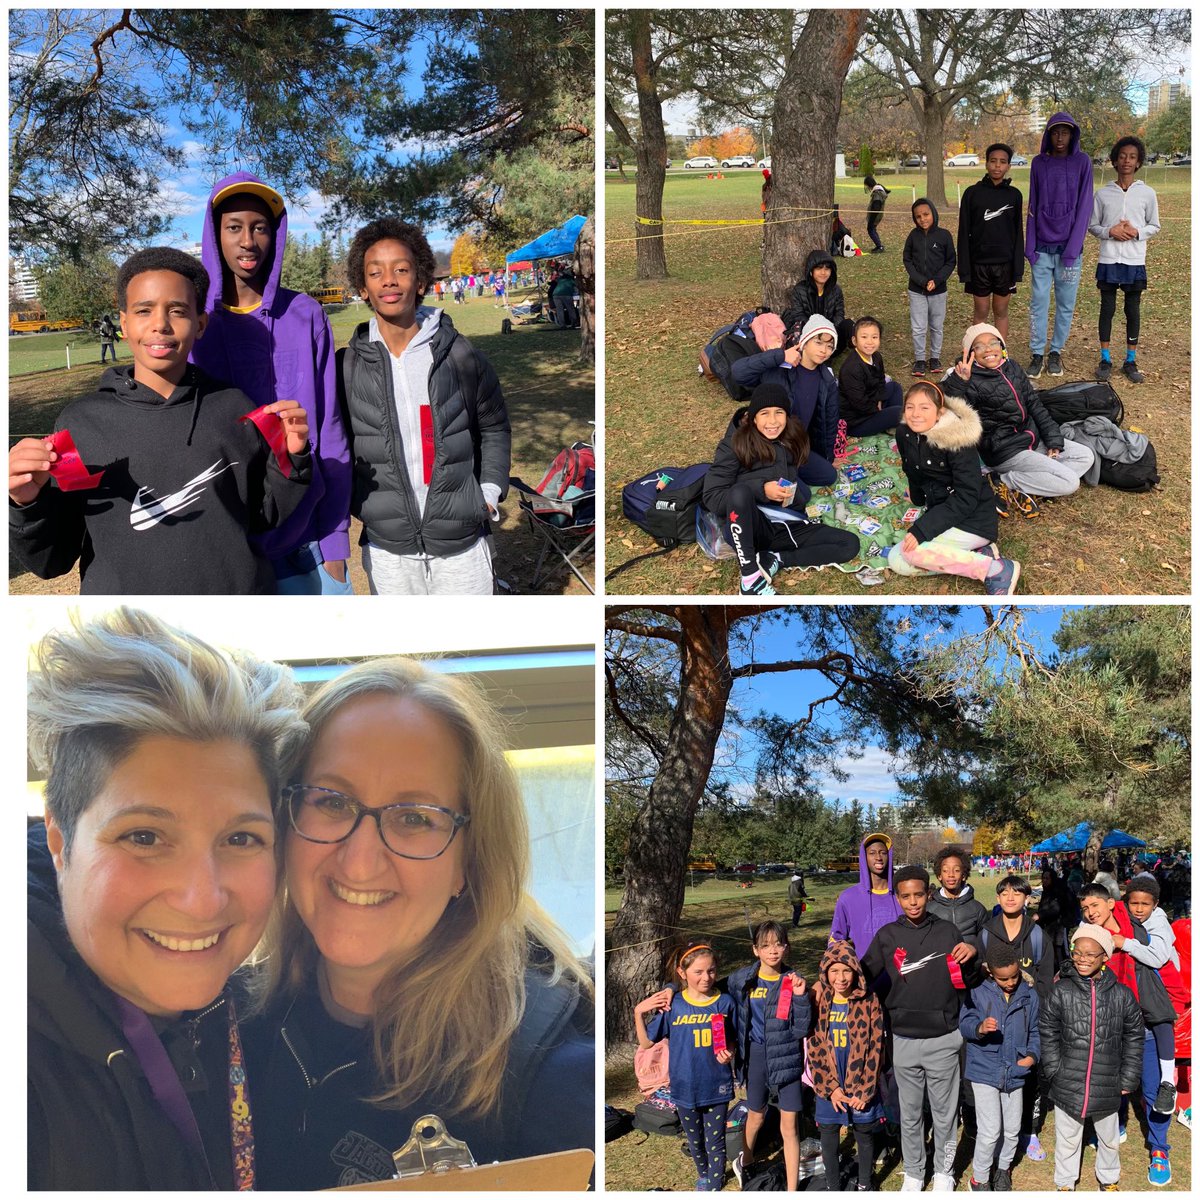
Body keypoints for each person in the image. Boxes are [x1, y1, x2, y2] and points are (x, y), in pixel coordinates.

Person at [242, 656, 595, 1189]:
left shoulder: (552, 1079)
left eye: (414, 818)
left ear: (467, 863)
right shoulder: (220, 1021)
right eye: (332, 802)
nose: (359, 861)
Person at [28, 607, 306, 1189]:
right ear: (60, 838)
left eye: (240, 838)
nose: (201, 899)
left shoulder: (263, 1018)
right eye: (144, 837)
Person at [9, 247, 312, 594]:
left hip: (229, 620)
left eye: (178, 311)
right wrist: (25, 503)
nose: (160, 324)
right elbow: (52, 560)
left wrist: (293, 459)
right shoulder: (80, 423)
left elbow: (264, 517)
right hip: (126, 630)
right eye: (143, 310)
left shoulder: (234, 408)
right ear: (123, 324)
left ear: (200, 324)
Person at [191, 172, 352, 595]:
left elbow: (330, 429)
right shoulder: (196, 326)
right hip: (229, 546)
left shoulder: (306, 314)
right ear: (214, 233)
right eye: (234, 227)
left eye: (260, 227)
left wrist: (335, 539)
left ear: (276, 234)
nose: (248, 241)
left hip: (308, 541)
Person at [337, 217, 511, 595]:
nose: (389, 280)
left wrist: (488, 494)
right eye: (375, 272)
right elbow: (338, 444)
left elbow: (495, 427)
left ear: (420, 280)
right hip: (388, 548)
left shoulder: (460, 355)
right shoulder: (346, 366)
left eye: (401, 269)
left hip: (461, 544)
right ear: (363, 287)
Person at [860, 865, 981, 1191]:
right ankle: (914, 1171)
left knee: (944, 1113)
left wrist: (973, 953)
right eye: (906, 896)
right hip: (903, 1039)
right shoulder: (887, 936)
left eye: (918, 895)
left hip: (944, 1037)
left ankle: (943, 1172)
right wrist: (828, 978)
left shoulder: (946, 932)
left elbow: (968, 982)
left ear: (928, 894)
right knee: (910, 1113)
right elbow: (861, 976)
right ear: (897, 898)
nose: (913, 902)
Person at [702, 382, 860, 596]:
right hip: (751, 528)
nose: (773, 421)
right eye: (765, 413)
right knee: (740, 493)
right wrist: (762, 490)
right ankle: (749, 579)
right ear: (753, 417)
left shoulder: (790, 438)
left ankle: (775, 559)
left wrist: (792, 497)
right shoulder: (733, 444)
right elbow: (712, 496)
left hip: (787, 524)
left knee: (849, 544)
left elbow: (794, 483)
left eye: (779, 412)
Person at [1079, 880, 1178, 1185]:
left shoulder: (1140, 921)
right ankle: (1117, 1125)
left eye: (1095, 905)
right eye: (1085, 908)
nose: (1090, 912)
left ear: (1111, 903)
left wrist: (1125, 941)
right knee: (1112, 1084)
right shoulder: (1087, 930)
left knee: (1151, 1092)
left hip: (1145, 1023)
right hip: (1112, 1024)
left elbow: (1160, 955)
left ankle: (1160, 1150)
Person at [941, 324, 1094, 508]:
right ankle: (1000, 481)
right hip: (1005, 450)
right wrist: (960, 382)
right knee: (1070, 482)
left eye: (993, 343)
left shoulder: (1011, 366)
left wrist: (1053, 439)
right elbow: (951, 411)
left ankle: (1035, 485)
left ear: (1002, 346)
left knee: (1085, 456)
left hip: (1031, 437)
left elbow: (1034, 404)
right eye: (979, 346)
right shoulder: (966, 378)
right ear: (970, 353)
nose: (988, 349)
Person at [1040, 924, 1143, 1191]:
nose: (1082, 959)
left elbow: (1134, 1037)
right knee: (1068, 1137)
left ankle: (1108, 1179)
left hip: (1108, 1081)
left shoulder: (1122, 995)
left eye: (1091, 954)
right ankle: (1065, 1182)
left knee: (1109, 1137)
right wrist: (1053, 1067)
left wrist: (1129, 1076)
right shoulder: (1061, 990)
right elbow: (1048, 1029)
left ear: (1105, 957)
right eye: (1078, 952)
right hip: (1068, 1081)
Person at [890, 381, 1019, 595]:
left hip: (973, 520)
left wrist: (923, 529)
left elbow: (967, 497)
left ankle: (995, 570)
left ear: (940, 413)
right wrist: (917, 498)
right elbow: (911, 468)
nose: (915, 414)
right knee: (903, 554)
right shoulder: (904, 432)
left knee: (902, 558)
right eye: (910, 407)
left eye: (924, 407)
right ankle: (979, 554)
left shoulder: (958, 441)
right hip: (942, 511)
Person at [636, 942, 737, 1191]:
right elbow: (647, 1042)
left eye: (711, 971)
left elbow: (732, 1040)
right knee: (695, 1139)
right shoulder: (674, 1005)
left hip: (716, 1085)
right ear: (683, 973)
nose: (706, 977)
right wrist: (638, 1012)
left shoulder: (725, 1002)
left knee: (715, 1139)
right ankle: (703, 1174)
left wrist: (729, 1054)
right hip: (683, 1087)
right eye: (699, 972)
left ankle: (714, 1181)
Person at [728, 922, 812, 1192]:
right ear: (755, 950)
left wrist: (800, 998)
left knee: (790, 1128)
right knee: (756, 1117)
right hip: (755, 1057)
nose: (772, 951)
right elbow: (706, 986)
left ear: (786, 947)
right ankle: (747, 1163)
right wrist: (671, 987)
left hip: (787, 1058)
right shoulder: (741, 979)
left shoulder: (794, 980)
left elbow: (801, 1029)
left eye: (778, 944)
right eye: (765, 945)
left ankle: (791, 1188)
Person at [981, 875, 1056, 1163]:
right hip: (996, 1021)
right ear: (998, 898)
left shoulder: (1037, 935)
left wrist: (1034, 1004)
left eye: (1017, 893)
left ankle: (1030, 1131)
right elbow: (978, 975)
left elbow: (1047, 981)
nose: (1010, 897)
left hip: (1027, 1019)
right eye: (1005, 893)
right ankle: (997, 1130)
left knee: (1030, 1079)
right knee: (998, 1075)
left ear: (1027, 898)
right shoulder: (987, 933)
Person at [960, 940, 1041, 1192]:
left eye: (1014, 976)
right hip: (984, 1070)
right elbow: (965, 1023)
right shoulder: (977, 991)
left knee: (1013, 1128)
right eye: (1004, 979)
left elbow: (1035, 1031)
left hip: (1015, 1070)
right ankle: (980, 1178)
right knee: (990, 1130)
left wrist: (1032, 1056)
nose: (1010, 982)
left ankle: (1003, 1168)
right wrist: (979, 1028)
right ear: (991, 973)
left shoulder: (1029, 995)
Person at [807, 939, 886, 1192]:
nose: (840, 977)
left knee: (863, 1134)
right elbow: (815, 1047)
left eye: (846, 970)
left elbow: (876, 1048)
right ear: (825, 972)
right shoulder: (821, 1000)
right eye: (834, 971)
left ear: (855, 971)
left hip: (861, 1080)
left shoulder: (869, 1000)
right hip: (831, 1081)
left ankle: (864, 1183)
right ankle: (833, 1185)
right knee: (829, 1135)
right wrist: (830, 1088)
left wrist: (865, 1089)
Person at [731, 315, 843, 485]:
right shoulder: (779, 368)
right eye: (818, 343)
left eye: (829, 346)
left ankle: (782, 472)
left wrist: (828, 457)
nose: (824, 350)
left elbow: (829, 423)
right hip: (765, 442)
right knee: (790, 486)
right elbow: (738, 372)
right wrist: (779, 356)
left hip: (794, 446)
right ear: (804, 342)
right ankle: (766, 474)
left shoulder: (827, 381)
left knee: (828, 475)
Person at [1025, 112, 1093, 377]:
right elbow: (1033, 204)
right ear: (1048, 135)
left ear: (1072, 134)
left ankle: (1055, 352)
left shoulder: (1082, 162)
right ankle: (1037, 352)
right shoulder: (1038, 164)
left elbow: (1085, 205)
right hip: (1042, 248)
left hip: (1069, 251)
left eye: (1065, 132)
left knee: (1065, 303)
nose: (1060, 137)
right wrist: (1030, 247)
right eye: (1055, 132)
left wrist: (1073, 248)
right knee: (1039, 302)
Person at [1089, 136, 1159, 384]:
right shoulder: (1103, 194)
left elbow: (1154, 225)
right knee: (1107, 308)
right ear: (1115, 160)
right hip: (1109, 258)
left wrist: (1137, 232)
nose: (1126, 161)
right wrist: (1111, 231)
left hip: (1134, 260)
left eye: (1132, 156)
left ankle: (1130, 360)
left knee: (1132, 309)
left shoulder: (1147, 193)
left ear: (1138, 161)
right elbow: (1093, 226)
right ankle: (1105, 358)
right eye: (1122, 156)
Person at [957, 144, 1024, 345]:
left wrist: (1017, 269)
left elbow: (1017, 234)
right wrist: (965, 269)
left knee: (1001, 312)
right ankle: (977, 356)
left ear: (1008, 166)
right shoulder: (972, 193)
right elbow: (963, 233)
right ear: (986, 163)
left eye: (1002, 162)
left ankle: (1000, 356)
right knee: (981, 312)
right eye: (993, 161)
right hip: (979, 265)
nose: (997, 166)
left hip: (1005, 265)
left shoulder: (1014, 195)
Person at [903, 198, 956, 376]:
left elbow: (950, 261)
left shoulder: (944, 235)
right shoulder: (913, 236)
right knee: (918, 327)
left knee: (936, 326)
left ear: (933, 213)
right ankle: (919, 360)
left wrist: (937, 280)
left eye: (926, 214)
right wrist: (921, 281)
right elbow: (907, 260)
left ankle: (934, 357)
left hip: (938, 291)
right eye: (918, 216)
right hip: (917, 290)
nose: (922, 219)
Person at [829, 832, 900, 960]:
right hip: (866, 975)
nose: (878, 857)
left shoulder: (902, 894)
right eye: (872, 853)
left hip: (901, 976)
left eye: (883, 853)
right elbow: (836, 940)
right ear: (864, 857)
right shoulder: (848, 898)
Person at [837, 316, 903, 436]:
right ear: (854, 341)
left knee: (894, 387)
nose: (870, 342)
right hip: (856, 421)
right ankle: (890, 421)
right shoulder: (851, 368)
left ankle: (890, 425)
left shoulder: (876, 357)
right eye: (864, 337)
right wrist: (877, 408)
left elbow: (881, 381)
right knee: (899, 412)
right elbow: (859, 403)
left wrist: (879, 400)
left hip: (871, 403)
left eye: (874, 337)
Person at [780, 250, 855, 355]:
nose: (823, 273)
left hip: (831, 334)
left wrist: (828, 331)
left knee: (849, 325)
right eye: (819, 268)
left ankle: (861, 353)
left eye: (827, 268)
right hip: (810, 335)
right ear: (811, 270)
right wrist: (818, 332)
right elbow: (798, 315)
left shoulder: (836, 290)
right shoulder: (800, 289)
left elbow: (839, 314)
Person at [927, 846, 989, 952]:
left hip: (971, 967)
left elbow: (986, 943)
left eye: (956, 870)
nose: (951, 875)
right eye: (945, 870)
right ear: (939, 876)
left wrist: (974, 950)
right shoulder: (929, 910)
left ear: (964, 875)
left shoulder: (977, 909)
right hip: (939, 967)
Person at [863, 175, 890, 253]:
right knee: (873, 229)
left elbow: (876, 207)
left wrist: (871, 219)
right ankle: (879, 245)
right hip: (877, 215)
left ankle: (879, 246)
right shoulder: (878, 190)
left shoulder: (877, 193)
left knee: (870, 229)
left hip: (876, 215)